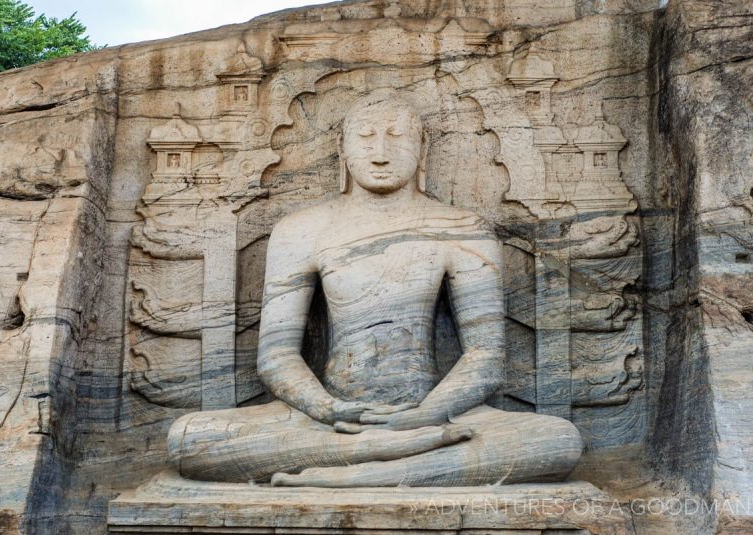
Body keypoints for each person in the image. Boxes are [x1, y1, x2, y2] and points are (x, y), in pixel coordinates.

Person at [167, 89, 582, 487]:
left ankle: (360, 471)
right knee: (188, 439)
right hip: (327, 421)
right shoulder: (300, 231)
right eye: (365, 138)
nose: (380, 152)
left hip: (435, 416)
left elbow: (486, 357)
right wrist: (327, 408)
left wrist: (424, 416)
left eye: (396, 137)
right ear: (342, 150)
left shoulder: (461, 229)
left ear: (422, 148)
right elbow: (277, 356)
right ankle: (402, 458)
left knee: (559, 441)